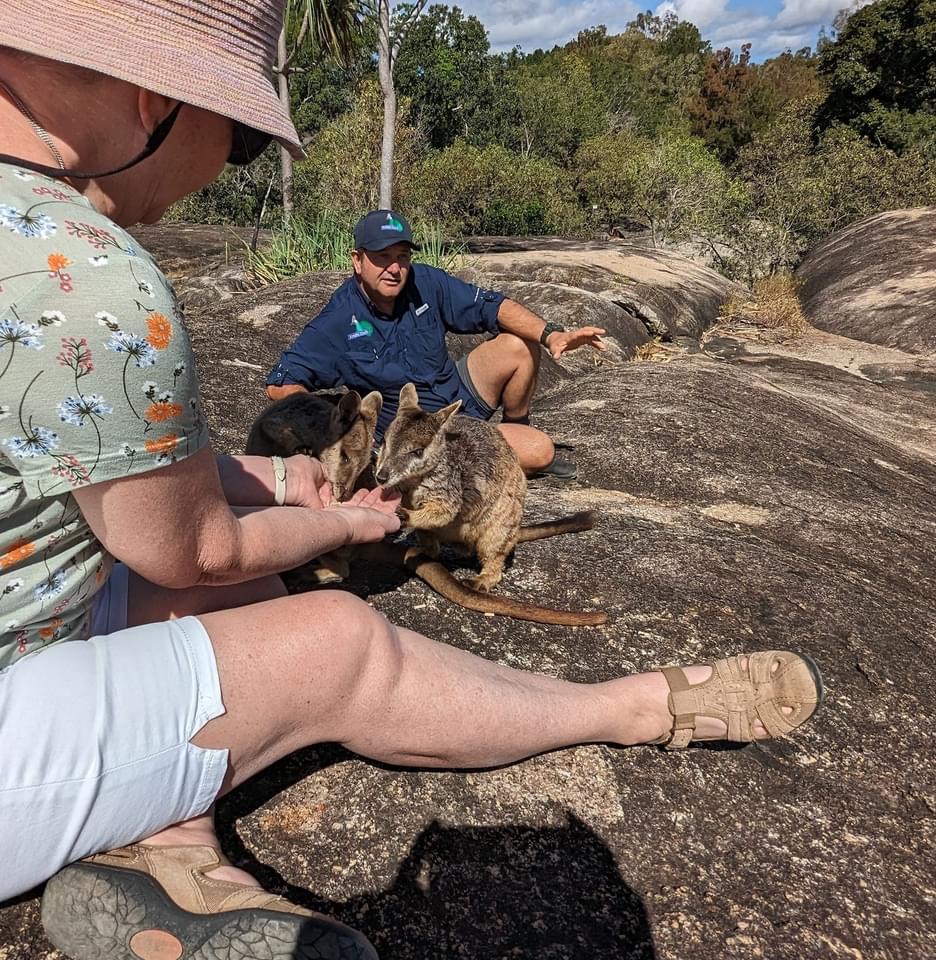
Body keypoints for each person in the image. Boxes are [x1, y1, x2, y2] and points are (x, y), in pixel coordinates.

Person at [0, 3, 824, 959]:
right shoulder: (85, 277)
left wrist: (271, 476)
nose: (223, 168)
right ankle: (626, 707)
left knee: (244, 590)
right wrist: (341, 523)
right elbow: (197, 543)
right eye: (240, 145)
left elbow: (87, 460)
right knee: (335, 635)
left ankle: (162, 838)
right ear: (155, 99)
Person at [265, 210, 607, 479]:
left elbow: (492, 306)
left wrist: (552, 333)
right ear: (358, 260)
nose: (394, 268)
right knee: (541, 451)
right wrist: (339, 429)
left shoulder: (424, 281)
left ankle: (515, 429)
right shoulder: (339, 320)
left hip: (456, 395)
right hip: (417, 434)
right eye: (382, 257)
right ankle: (496, 453)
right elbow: (281, 384)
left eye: (401, 256)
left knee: (519, 345)